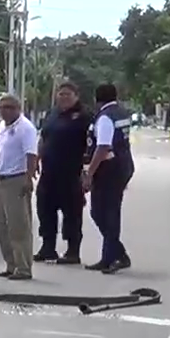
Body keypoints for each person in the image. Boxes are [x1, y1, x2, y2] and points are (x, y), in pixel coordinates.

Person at [0, 93, 39, 280]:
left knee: (18, 226)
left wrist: (28, 178)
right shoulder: (0, 128)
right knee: (1, 226)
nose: (4, 111)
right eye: (1, 107)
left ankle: (23, 267)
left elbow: (31, 155)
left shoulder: (25, 128)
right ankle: (11, 264)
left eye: (8, 107)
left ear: (18, 108)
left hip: (17, 179)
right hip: (1, 179)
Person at [35, 82, 91, 264]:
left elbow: (91, 145)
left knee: (72, 214)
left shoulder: (84, 116)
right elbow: (43, 138)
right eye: (61, 94)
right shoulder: (52, 114)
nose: (64, 98)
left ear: (76, 96)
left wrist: (87, 171)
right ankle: (47, 248)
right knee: (45, 210)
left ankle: (72, 251)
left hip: (71, 173)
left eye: (68, 94)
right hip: (49, 172)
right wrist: (37, 158)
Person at [84, 83, 135, 273]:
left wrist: (89, 173)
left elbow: (103, 147)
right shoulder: (121, 113)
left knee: (104, 213)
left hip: (109, 169)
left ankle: (115, 257)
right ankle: (113, 255)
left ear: (96, 99)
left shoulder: (105, 118)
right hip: (122, 166)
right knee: (106, 213)